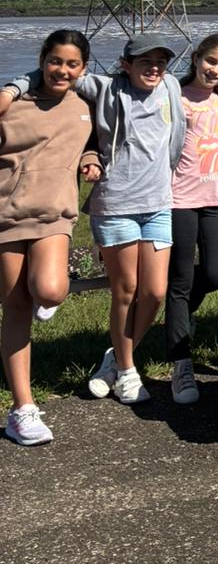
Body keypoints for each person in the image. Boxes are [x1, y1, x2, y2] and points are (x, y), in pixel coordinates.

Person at [5, 31, 186, 407]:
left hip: (158, 204)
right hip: (116, 203)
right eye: (144, 61)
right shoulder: (104, 88)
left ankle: (115, 357)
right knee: (126, 289)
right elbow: (59, 72)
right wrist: (13, 88)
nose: (154, 68)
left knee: (155, 292)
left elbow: (202, 81)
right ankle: (127, 369)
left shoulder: (170, 86)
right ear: (125, 65)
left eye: (160, 62)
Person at [0, 30, 98, 445]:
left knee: (51, 290)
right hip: (6, 216)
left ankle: (46, 297)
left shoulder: (86, 105)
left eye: (72, 64)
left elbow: (92, 141)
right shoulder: (11, 103)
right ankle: (22, 408)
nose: (62, 70)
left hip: (55, 215)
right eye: (55, 61)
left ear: (83, 68)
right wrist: (13, 87)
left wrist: (91, 158)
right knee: (16, 307)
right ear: (42, 60)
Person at [165, 31, 218, 406]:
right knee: (179, 281)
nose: (215, 70)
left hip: (214, 200)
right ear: (196, 58)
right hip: (179, 199)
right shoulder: (174, 96)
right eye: (211, 61)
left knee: (212, 275)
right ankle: (180, 363)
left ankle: (180, 318)